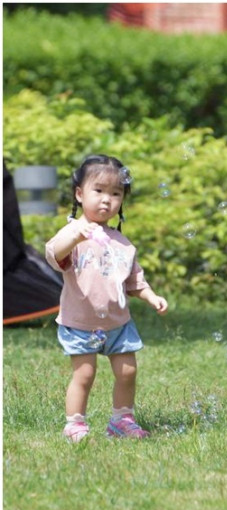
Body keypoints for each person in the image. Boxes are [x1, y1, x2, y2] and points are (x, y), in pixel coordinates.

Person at [46, 155, 168, 442]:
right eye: (98, 191)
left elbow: (134, 280)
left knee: (127, 371)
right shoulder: (73, 233)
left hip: (118, 323)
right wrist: (77, 235)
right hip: (80, 322)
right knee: (85, 376)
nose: (106, 201)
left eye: (116, 194)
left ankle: (121, 421)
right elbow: (54, 254)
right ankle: (75, 424)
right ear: (79, 194)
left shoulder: (123, 244)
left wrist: (151, 296)